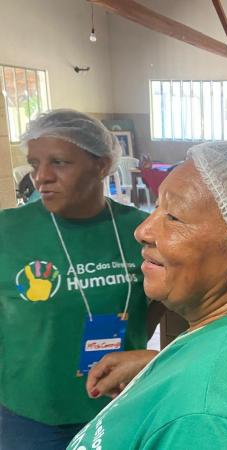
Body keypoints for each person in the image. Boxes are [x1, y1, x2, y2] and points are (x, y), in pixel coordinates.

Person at [68, 141, 227, 449]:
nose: (143, 230)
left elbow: (212, 407)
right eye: (157, 207)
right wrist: (163, 368)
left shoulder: (210, 423)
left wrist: (193, 394)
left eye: (173, 217)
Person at [0, 109, 162, 450]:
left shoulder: (140, 230)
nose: (41, 177)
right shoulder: (8, 232)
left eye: (59, 162)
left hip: (117, 403)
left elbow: (163, 300)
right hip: (31, 416)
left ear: (101, 165)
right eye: (34, 164)